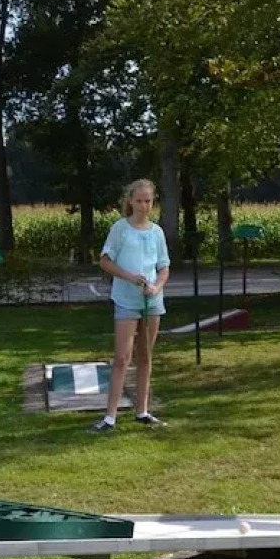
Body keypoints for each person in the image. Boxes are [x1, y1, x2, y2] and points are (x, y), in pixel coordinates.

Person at [88, 178, 171, 433]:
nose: (144, 206)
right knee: (123, 357)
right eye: (139, 201)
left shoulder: (157, 232)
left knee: (145, 356)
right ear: (130, 201)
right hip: (126, 300)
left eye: (148, 201)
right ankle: (110, 417)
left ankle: (143, 411)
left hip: (152, 301)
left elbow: (164, 267)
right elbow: (104, 261)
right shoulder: (120, 229)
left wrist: (156, 286)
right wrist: (130, 277)